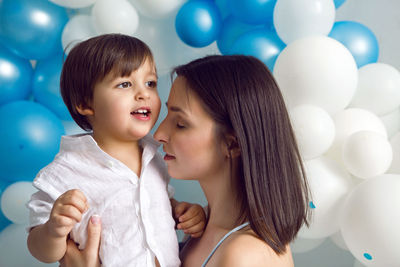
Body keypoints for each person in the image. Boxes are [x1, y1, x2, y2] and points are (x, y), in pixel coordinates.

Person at [59, 54, 311, 267]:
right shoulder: (201, 225)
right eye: (167, 113)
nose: (158, 135)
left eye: (181, 124)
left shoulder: (244, 256)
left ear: (232, 144)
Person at [26, 34, 206, 267]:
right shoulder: (66, 171)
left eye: (150, 83)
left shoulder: (155, 157)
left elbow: (153, 205)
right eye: (125, 84)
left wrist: (181, 212)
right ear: (85, 103)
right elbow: (38, 247)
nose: (144, 94)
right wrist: (53, 230)